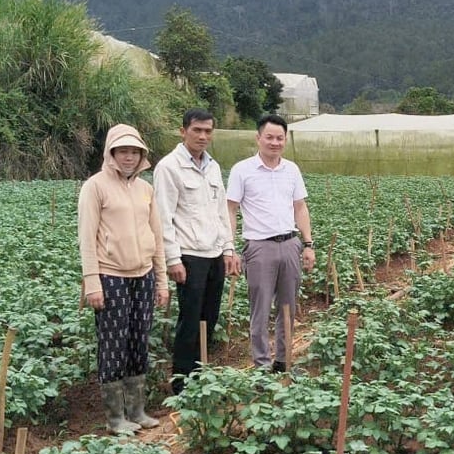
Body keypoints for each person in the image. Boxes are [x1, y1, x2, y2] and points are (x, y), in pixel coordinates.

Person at [77, 123, 170, 434]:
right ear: (111, 153)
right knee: (113, 344)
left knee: (138, 341)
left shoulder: (145, 189)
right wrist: (93, 283)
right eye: (123, 151)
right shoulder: (95, 187)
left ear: (142, 155)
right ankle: (116, 417)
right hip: (110, 275)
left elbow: (156, 237)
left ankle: (138, 411)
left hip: (143, 275)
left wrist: (161, 281)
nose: (129, 157)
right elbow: (86, 238)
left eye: (134, 152)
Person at [154, 109, 240, 395]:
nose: (203, 136)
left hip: (214, 254)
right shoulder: (169, 167)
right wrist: (173, 259)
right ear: (183, 131)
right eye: (197, 130)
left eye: (208, 131)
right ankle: (181, 384)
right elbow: (163, 217)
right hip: (189, 256)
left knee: (209, 318)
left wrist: (228, 248)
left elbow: (221, 212)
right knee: (190, 320)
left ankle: (201, 376)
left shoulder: (213, 166)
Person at [226, 114, 316, 372]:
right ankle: (262, 366)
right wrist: (229, 247)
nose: (275, 142)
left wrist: (308, 244)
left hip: (290, 244)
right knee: (261, 308)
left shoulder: (292, 170)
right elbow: (230, 209)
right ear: (258, 138)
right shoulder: (242, 170)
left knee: (288, 307)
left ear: (285, 140)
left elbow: (300, 207)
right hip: (259, 247)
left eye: (280, 138)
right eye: (269, 137)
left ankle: (283, 362)